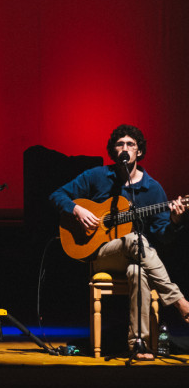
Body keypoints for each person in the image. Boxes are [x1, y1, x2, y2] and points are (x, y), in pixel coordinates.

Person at [49, 124, 189, 360]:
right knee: (136, 240)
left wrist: (175, 220)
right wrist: (77, 210)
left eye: (131, 144)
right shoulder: (97, 176)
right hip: (101, 254)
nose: (125, 148)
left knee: (138, 271)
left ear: (139, 152)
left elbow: (164, 236)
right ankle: (180, 302)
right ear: (113, 151)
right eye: (120, 144)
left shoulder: (152, 189)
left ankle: (138, 344)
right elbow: (56, 195)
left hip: (136, 257)